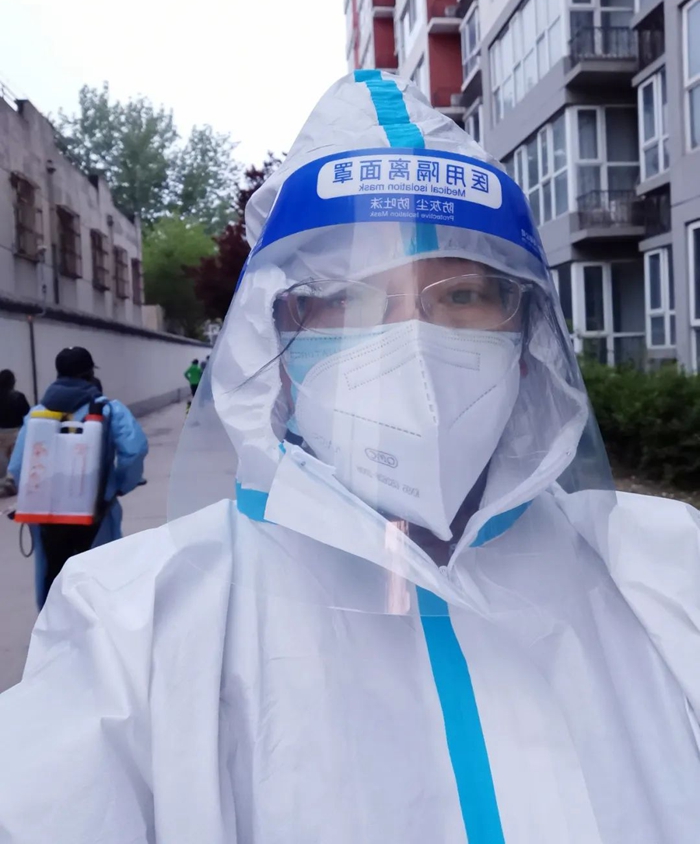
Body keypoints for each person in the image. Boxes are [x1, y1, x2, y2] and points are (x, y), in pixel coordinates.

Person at [0, 73, 699, 843]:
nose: (414, 346)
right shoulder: (135, 627)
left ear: (526, 341)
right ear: (277, 348)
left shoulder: (664, 573)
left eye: (462, 295)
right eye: (350, 298)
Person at [6, 346, 148, 609]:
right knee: (100, 575)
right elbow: (134, 451)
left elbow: (16, 467)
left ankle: (55, 625)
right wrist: (122, 484)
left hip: (46, 514)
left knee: (54, 575)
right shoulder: (108, 409)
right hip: (95, 511)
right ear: (90, 373)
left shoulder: (36, 414)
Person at [0, 369, 29, 493]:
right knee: (15, 460)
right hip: (16, 432)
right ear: (12, 382)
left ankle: (2, 483)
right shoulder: (18, 397)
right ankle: (11, 483)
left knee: (2, 461)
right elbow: (27, 414)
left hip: (0, 433)